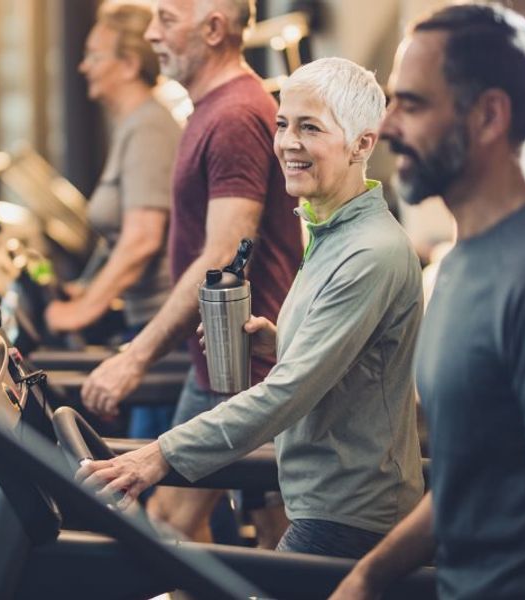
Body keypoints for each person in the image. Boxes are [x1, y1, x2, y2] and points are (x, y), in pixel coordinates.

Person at [332, 4, 525, 599]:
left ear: (489, 116)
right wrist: (368, 576)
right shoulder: (460, 261)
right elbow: (467, 479)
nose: (388, 125)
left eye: (413, 104)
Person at [79, 56, 426, 559]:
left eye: (310, 127)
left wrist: (159, 454)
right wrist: (281, 340)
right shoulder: (332, 232)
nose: (287, 143)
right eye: (283, 124)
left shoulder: (369, 252)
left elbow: (289, 392)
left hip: (350, 517)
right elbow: (353, 359)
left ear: (363, 144)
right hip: (320, 501)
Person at [79, 0, 303, 547]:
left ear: (213, 28)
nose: (152, 34)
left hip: (241, 363)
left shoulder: (232, 116)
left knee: (171, 524)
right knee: (267, 530)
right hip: (228, 357)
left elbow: (221, 258)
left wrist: (134, 358)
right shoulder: (211, 108)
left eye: (166, 20)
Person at [43, 2, 179, 439]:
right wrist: (87, 282)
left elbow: (142, 238)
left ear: (127, 64)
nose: (84, 66)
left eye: (94, 55)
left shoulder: (149, 129)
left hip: (163, 338)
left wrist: (83, 310)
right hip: (146, 326)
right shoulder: (133, 125)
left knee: (158, 497)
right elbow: (119, 232)